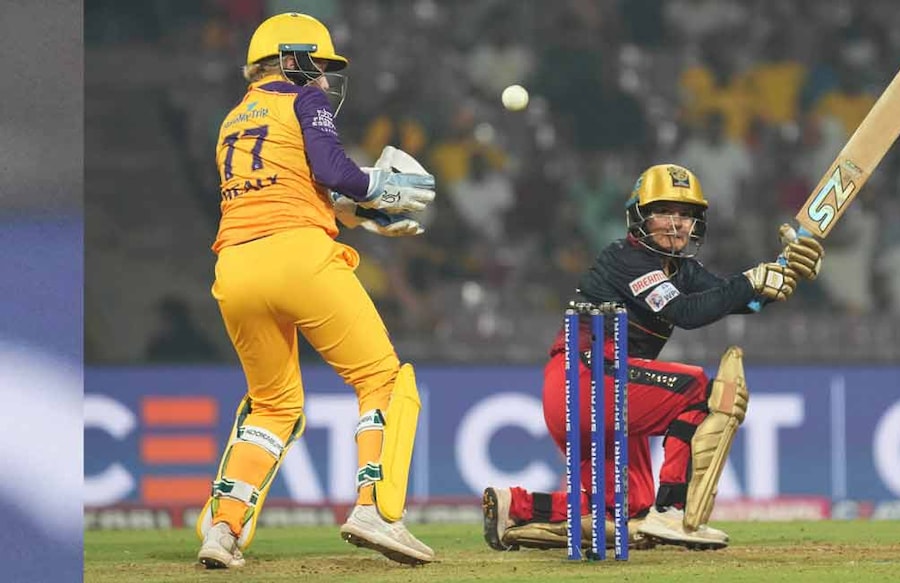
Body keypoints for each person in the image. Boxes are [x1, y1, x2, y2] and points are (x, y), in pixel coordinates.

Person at [194, 13, 437, 568]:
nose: (325, 81)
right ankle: (376, 510)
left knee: (273, 406)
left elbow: (281, 191)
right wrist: (377, 186)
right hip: (299, 259)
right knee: (381, 379)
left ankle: (224, 529)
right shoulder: (304, 99)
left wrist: (357, 216)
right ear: (292, 61)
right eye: (320, 67)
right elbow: (332, 170)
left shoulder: (233, 119)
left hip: (234, 268)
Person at [482, 164, 823, 551]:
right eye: (665, 212)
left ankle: (516, 506)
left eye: (685, 214)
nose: (676, 224)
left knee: (626, 512)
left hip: (595, 387)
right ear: (639, 217)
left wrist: (783, 272)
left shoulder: (681, 269)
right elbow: (688, 313)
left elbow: (731, 298)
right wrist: (752, 280)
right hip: (584, 378)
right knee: (699, 389)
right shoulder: (627, 259)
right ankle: (672, 508)